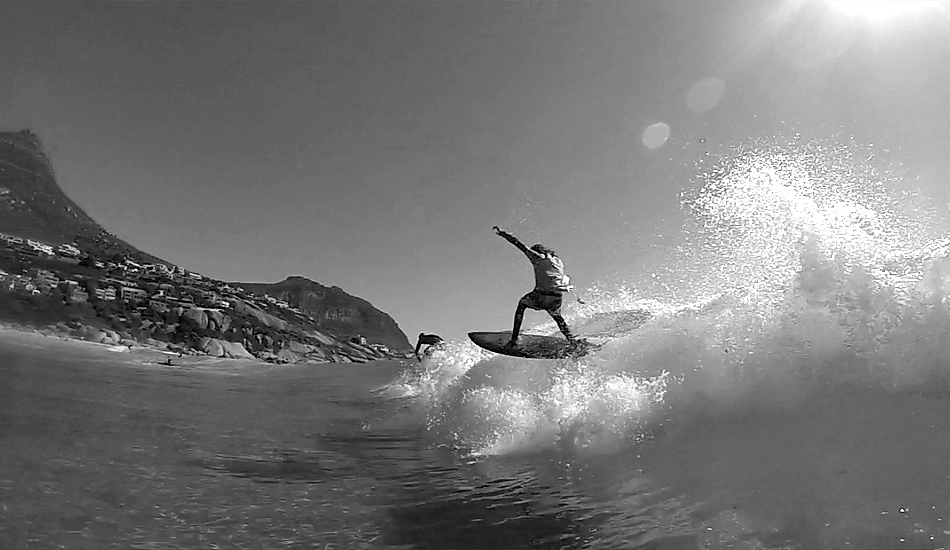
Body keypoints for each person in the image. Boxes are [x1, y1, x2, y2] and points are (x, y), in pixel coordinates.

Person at [493, 226, 582, 349]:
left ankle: (514, 340)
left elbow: (519, 244)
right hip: (556, 298)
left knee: (522, 304)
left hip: (541, 296)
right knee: (557, 317)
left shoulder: (537, 258)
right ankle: (572, 341)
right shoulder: (559, 261)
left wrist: (504, 234)